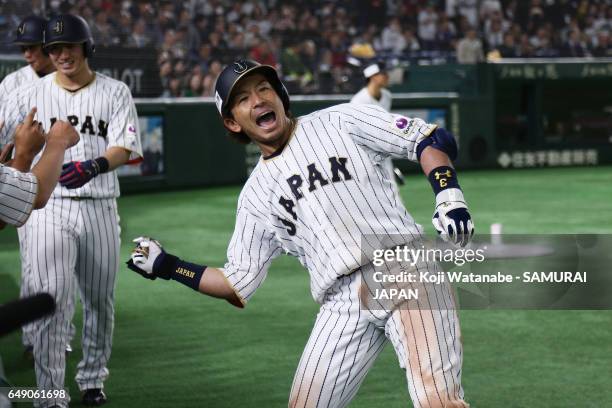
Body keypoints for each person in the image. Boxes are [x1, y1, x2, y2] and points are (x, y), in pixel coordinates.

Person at [127, 60, 474, 407]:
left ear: (281, 95)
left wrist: (449, 195)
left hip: (405, 270)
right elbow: (235, 283)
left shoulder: (340, 119)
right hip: (340, 301)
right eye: (244, 98)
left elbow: (428, 138)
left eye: (264, 88)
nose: (259, 100)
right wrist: (169, 266)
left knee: (437, 401)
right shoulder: (254, 197)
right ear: (233, 121)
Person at [0, 14, 143, 408]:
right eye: (54, 49)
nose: (62, 54)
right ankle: (49, 396)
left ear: (86, 48)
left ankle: (93, 378)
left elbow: (125, 146)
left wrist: (95, 165)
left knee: (99, 300)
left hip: (100, 205)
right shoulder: (28, 94)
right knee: (52, 301)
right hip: (48, 208)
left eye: (69, 47)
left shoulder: (115, 92)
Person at [0, 14, 78, 363]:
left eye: (34, 48)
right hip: (23, 182)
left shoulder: (76, 82)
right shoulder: (13, 85)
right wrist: (16, 164)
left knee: (65, 269)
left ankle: (59, 336)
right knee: (34, 265)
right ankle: (36, 339)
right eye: (25, 49)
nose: (29, 54)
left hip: (63, 186)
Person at [350, 61, 404, 195]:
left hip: (382, 149)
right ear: (373, 77)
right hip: (363, 152)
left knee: (392, 192)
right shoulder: (358, 101)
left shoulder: (386, 96)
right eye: (383, 74)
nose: (387, 76)